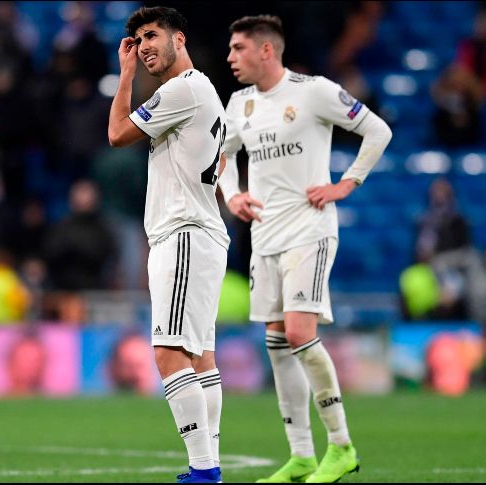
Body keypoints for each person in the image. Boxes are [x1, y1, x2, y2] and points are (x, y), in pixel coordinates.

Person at [217, 15, 392, 483]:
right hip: (265, 236)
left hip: (309, 232)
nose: (230, 58)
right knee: (277, 343)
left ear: (265, 51)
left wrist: (346, 183)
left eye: (237, 49)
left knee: (297, 334)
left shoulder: (313, 92)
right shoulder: (240, 104)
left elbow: (378, 131)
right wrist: (232, 194)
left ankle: (342, 446)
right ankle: (301, 456)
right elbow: (223, 155)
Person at [108, 6, 229, 483]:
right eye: (136, 41)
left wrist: (124, 74)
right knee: (201, 356)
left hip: (183, 232)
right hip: (201, 231)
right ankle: (208, 463)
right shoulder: (205, 91)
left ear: (180, 38)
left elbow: (117, 133)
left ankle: (204, 470)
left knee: (168, 352)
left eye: (152, 35)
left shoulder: (181, 90)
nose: (143, 46)